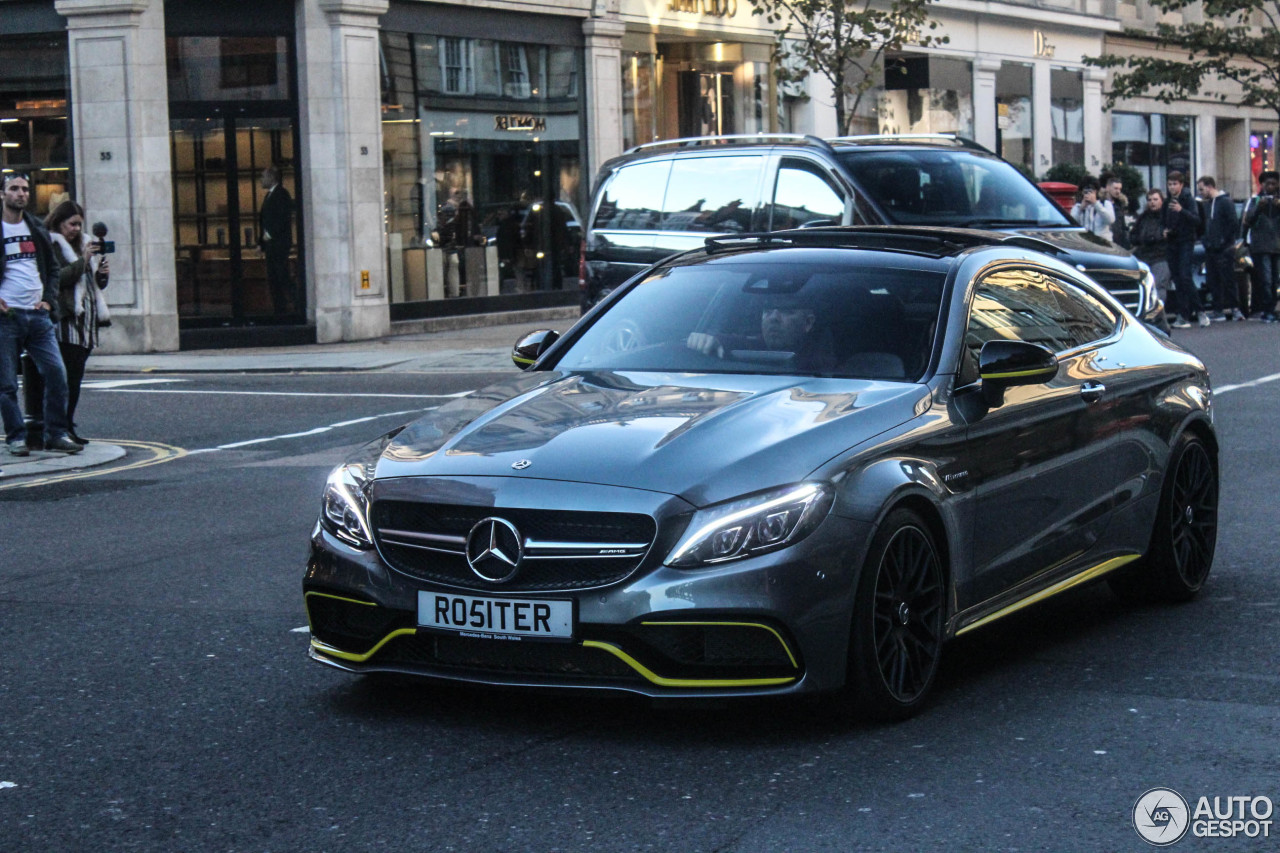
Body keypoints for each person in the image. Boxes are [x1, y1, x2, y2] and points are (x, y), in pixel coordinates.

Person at [0, 174, 81, 455]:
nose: (21, 194)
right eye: (14, 189)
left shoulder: (35, 226)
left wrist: (48, 300)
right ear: (3, 194)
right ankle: (16, 437)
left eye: (24, 189)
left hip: (38, 317)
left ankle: (56, 433)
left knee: (57, 375)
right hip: (7, 318)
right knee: (7, 384)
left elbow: (53, 269)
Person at [44, 200, 110, 443]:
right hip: (67, 320)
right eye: (71, 224)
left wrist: (102, 276)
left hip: (87, 321)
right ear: (59, 222)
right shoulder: (51, 244)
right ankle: (59, 428)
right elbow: (57, 278)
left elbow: (92, 284)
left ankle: (68, 425)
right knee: (66, 379)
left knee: (76, 378)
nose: (75, 229)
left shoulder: (85, 244)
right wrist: (83, 261)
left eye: (79, 224)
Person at [686, 292, 836, 371]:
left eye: (786, 311)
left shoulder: (833, 364)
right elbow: (734, 342)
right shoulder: (747, 347)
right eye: (768, 311)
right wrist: (709, 341)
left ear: (808, 322)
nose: (773, 318)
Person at [1196, 176, 1243, 322]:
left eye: (1202, 189)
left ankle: (1235, 309)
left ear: (1210, 186)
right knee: (1213, 280)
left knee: (1228, 279)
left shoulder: (1225, 202)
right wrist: (1205, 240)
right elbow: (1203, 225)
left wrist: (1224, 242)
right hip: (1211, 248)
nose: (1200, 193)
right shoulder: (1207, 204)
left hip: (1223, 248)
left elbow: (1233, 224)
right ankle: (1218, 310)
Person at [1165, 171, 1206, 328]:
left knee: (1185, 276)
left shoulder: (1188, 200)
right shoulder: (1168, 200)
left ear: (1181, 185)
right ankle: (1183, 314)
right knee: (1177, 279)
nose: (1172, 187)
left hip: (1186, 242)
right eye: (1170, 184)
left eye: (1175, 184)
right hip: (1172, 242)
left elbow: (1196, 220)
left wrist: (1181, 210)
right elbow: (1164, 219)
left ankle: (1200, 310)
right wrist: (1164, 229)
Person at [1243, 169, 1280, 322]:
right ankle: (1267, 309)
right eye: (1267, 183)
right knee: (1266, 279)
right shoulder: (1255, 201)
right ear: (1262, 185)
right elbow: (1247, 221)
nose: (1270, 187)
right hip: (1261, 246)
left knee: (1274, 280)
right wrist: (1259, 208)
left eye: (1273, 184)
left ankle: (1271, 308)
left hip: (1277, 246)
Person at [258, 166, 294, 316]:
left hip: (279, 245)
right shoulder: (269, 195)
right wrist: (262, 242)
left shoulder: (281, 194)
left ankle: (294, 304)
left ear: (271, 178)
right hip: (271, 245)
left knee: (282, 277)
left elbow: (282, 218)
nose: (261, 180)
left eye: (263, 177)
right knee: (274, 279)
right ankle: (280, 309)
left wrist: (269, 235)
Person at [1131, 189, 1172, 311]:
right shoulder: (1143, 217)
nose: (1152, 202)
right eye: (1149, 200)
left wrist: (1155, 237)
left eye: (1155, 199)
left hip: (1161, 256)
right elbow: (1133, 235)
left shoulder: (1167, 216)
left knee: (1158, 286)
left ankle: (1157, 313)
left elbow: (1169, 234)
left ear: (1162, 201)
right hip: (1143, 257)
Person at [1102, 175, 1131, 249]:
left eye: (1120, 189)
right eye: (1115, 188)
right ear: (1108, 187)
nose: (1118, 191)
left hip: (1119, 244)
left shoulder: (1120, 204)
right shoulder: (1100, 204)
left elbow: (1122, 226)